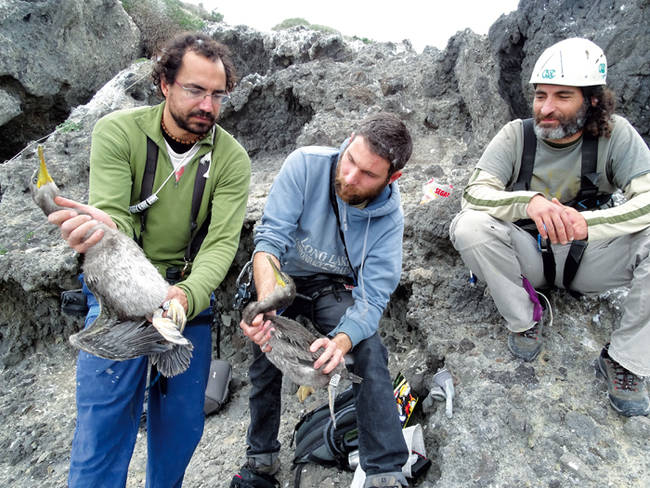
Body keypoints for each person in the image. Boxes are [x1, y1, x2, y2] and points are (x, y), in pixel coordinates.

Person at [47, 32, 251, 486]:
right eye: (195, 90)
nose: (207, 105)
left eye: (217, 94)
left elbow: (221, 244)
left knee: (181, 427)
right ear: (164, 83)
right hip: (122, 295)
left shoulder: (231, 160)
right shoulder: (118, 132)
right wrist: (100, 231)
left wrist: (184, 296)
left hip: (186, 299)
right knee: (103, 428)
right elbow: (115, 217)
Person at [450, 38, 650, 417]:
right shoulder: (516, 135)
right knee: (469, 226)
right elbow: (474, 195)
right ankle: (524, 319)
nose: (546, 108)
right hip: (527, 255)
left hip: (590, 258)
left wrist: (585, 223)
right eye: (540, 96)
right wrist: (529, 202)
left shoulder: (616, 136)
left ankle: (625, 361)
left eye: (562, 96)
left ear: (591, 100)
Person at [232, 113, 413, 488]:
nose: (350, 177)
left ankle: (385, 470)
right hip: (282, 277)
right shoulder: (306, 165)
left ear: (391, 179)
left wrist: (342, 340)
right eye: (350, 160)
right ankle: (261, 457)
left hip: (332, 287)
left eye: (367, 175)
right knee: (266, 352)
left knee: (368, 351)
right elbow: (269, 241)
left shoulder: (390, 220)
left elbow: (373, 297)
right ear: (348, 140)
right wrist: (268, 303)